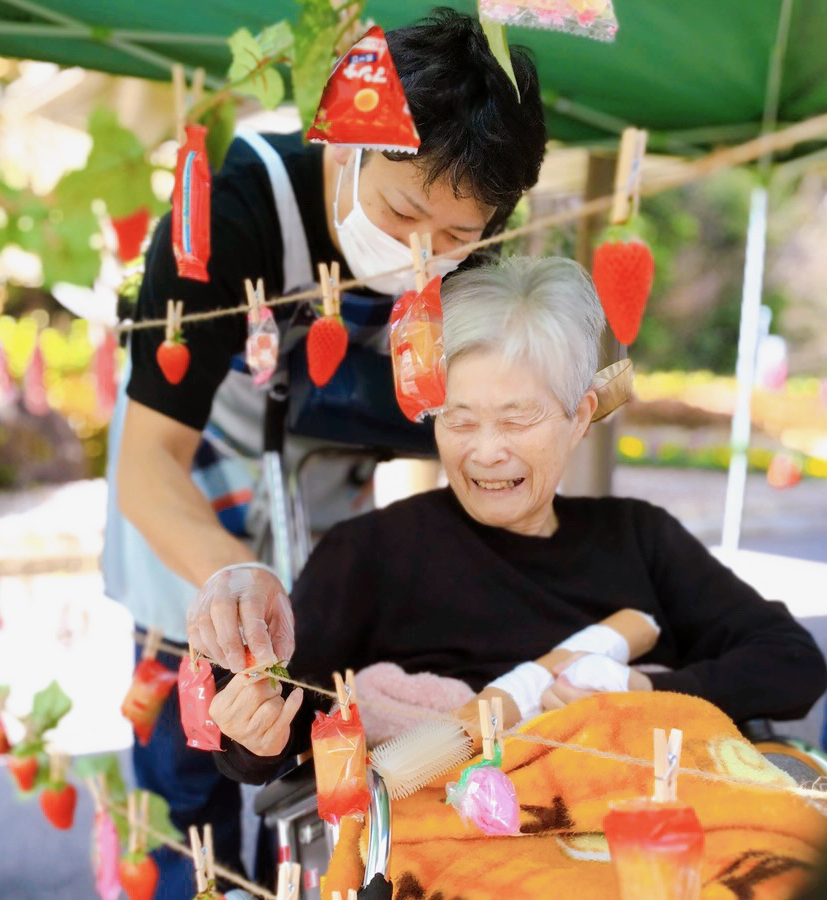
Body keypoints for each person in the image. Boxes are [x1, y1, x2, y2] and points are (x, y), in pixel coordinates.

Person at [102, 9, 547, 893]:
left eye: (458, 238)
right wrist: (231, 577)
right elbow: (147, 461)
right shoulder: (223, 211)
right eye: (403, 211)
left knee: (310, 783)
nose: (424, 253)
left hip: (323, 515)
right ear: (345, 141)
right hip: (192, 521)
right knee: (186, 790)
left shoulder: (474, 259)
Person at [204, 255, 827, 782]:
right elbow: (285, 717)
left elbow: (792, 664)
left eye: (516, 419)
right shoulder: (370, 551)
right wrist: (251, 731)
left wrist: (641, 694)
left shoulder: (639, 536)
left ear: (579, 415)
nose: (486, 450)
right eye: (460, 420)